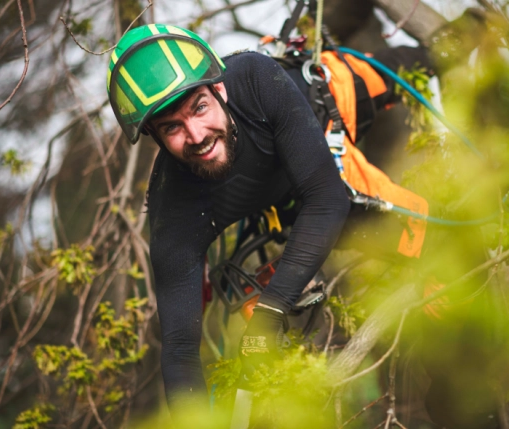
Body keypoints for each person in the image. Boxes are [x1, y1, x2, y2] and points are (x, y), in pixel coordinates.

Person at [105, 23, 435, 411]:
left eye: (199, 108)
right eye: (172, 128)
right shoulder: (173, 206)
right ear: (156, 140)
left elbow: (327, 200)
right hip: (291, 200)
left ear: (220, 89)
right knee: (414, 239)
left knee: (409, 66)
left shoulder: (256, 79)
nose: (196, 135)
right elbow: (179, 351)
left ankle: (454, 40)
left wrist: (272, 309)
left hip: (325, 108)